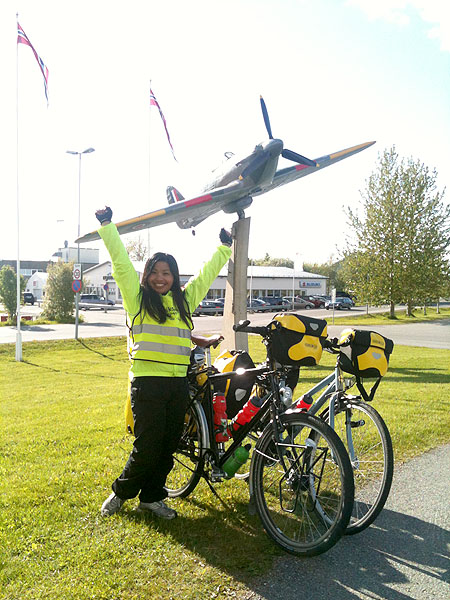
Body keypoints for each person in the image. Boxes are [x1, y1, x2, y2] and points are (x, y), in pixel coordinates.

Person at [96, 206, 232, 519]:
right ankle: (120, 493)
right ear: (147, 276)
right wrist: (107, 225)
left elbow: (206, 275)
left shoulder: (184, 301)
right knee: (147, 446)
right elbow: (120, 264)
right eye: (155, 272)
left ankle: (152, 498)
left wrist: (224, 247)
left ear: (174, 277)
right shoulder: (137, 298)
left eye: (167, 273)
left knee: (169, 445)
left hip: (177, 383)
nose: (161, 278)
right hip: (147, 383)